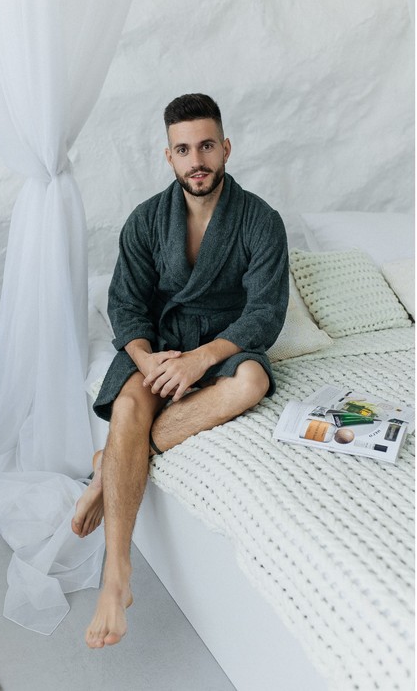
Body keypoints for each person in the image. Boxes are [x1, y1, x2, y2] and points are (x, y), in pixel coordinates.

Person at [71, 93, 289, 648]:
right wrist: (148, 359)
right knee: (129, 404)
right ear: (169, 156)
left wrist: (204, 357)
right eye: (184, 149)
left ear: (226, 148)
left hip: (223, 345)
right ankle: (116, 574)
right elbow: (126, 305)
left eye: (207, 146)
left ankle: (111, 464)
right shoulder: (146, 221)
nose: (198, 160)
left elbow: (265, 310)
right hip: (162, 346)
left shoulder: (261, 220)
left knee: (254, 381)